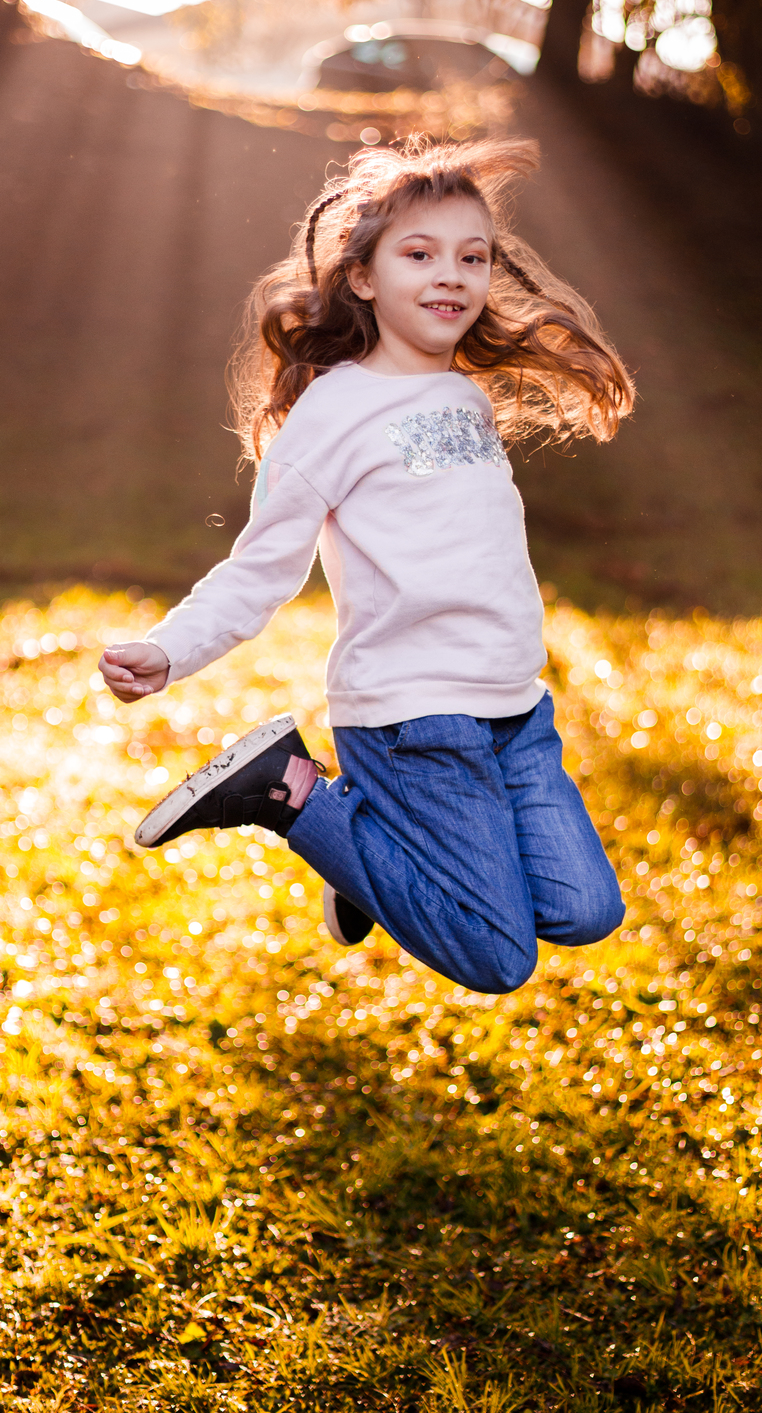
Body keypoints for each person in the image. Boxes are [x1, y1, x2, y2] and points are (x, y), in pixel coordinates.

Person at [99, 137, 634, 994]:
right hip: (413, 719)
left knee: (584, 910)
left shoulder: (462, 395)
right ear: (362, 277)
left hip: (515, 711)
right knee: (498, 957)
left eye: (472, 257)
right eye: (419, 255)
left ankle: (369, 854)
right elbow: (260, 569)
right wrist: (169, 651)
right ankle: (290, 796)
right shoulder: (332, 412)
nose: (450, 275)